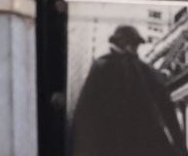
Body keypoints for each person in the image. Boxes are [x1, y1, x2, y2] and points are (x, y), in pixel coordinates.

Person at [71, 25, 188, 156]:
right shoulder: (108, 67)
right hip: (119, 141)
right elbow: (88, 111)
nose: (134, 48)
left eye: (135, 44)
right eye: (131, 43)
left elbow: (85, 113)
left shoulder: (140, 71)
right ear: (120, 42)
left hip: (126, 142)